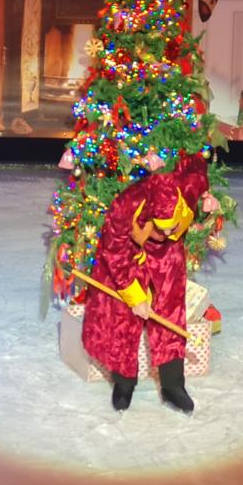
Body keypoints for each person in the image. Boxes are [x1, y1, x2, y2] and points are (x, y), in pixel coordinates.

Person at [81, 152, 209, 413]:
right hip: (128, 253)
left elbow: (196, 165)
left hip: (166, 256)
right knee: (121, 315)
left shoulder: (187, 188)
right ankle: (124, 382)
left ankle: (173, 386)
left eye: (172, 227)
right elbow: (114, 252)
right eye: (161, 228)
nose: (167, 233)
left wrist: (202, 188)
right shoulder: (125, 206)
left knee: (171, 311)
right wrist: (135, 297)